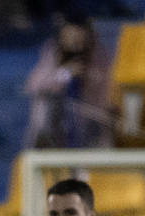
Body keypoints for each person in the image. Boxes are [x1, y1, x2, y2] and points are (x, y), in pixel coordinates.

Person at [23, 12, 112, 150]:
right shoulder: (52, 53)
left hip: (87, 127)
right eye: (71, 36)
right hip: (53, 131)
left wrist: (87, 77)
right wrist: (65, 73)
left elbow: (105, 91)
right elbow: (35, 85)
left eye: (80, 37)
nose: (76, 42)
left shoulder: (98, 57)